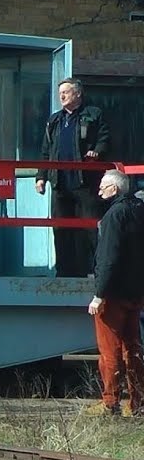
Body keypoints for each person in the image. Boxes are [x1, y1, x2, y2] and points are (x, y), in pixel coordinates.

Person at [35, 77, 110, 277]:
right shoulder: (55, 120)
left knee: (90, 229)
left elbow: (105, 139)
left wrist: (97, 152)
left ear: (78, 94)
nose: (61, 96)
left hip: (84, 183)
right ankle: (64, 272)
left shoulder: (93, 114)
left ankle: (96, 271)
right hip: (59, 184)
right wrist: (40, 177)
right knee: (60, 230)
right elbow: (45, 151)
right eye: (60, 93)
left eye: (66, 92)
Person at [86, 169, 144, 416]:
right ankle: (138, 404)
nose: (99, 191)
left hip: (113, 294)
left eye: (103, 186)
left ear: (115, 189)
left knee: (109, 351)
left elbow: (109, 258)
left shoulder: (113, 216)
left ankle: (110, 403)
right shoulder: (140, 210)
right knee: (134, 349)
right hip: (136, 292)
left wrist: (99, 294)